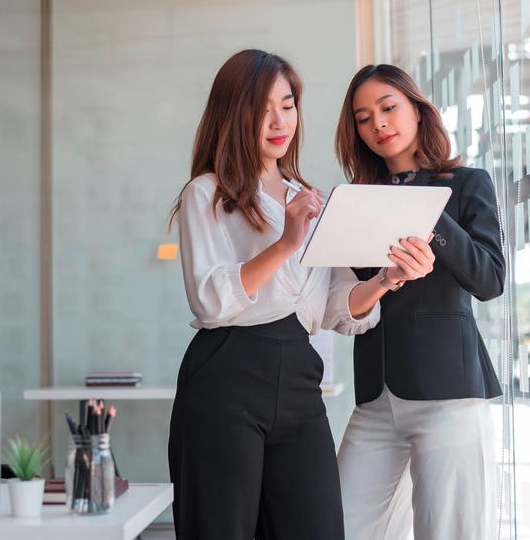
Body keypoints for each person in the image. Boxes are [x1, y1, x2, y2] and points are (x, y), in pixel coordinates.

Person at [166, 49, 434, 540]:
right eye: (260, 108)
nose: (277, 120)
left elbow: (336, 306)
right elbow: (209, 300)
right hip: (227, 373)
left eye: (287, 105)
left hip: (299, 379)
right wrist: (286, 242)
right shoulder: (207, 193)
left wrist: (386, 279)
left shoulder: (310, 197)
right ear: (233, 113)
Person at [333, 63, 506, 540]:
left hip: (448, 393)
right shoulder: (357, 198)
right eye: (363, 118)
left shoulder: (468, 184)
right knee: (337, 523)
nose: (379, 125)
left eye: (388, 108)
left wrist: (432, 213)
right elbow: (350, 297)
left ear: (416, 109)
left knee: (451, 531)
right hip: (375, 395)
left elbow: (490, 280)